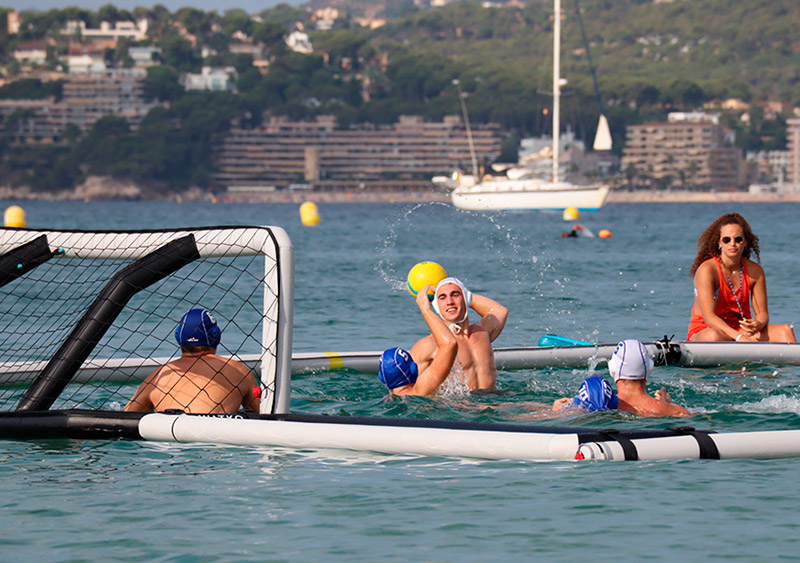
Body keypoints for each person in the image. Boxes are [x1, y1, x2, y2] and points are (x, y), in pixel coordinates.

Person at [125, 308, 260, 414]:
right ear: (216, 335)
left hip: (168, 444)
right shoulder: (238, 371)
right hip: (214, 441)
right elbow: (265, 414)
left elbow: (127, 416)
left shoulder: (158, 376)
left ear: (178, 336)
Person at [687, 213, 795, 342]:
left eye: (738, 239)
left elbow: (763, 314)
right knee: (713, 336)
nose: (732, 244)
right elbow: (709, 318)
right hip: (708, 330)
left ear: (745, 242)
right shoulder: (707, 270)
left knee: (785, 331)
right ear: (719, 243)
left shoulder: (755, 271)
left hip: (741, 332)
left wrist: (758, 324)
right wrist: (739, 337)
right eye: (726, 240)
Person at [409, 277, 508, 392]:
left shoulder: (481, 332)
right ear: (437, 305)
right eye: (442, 297)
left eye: (455, 295)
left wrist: (468, 296)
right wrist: (425, 308)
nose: (449, 302)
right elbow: (409, 391)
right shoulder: (429, 345)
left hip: (493, 400)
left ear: (465, 299)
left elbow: (500, 311)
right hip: (459, 408)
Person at [553, 339, 690, 417]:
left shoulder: (599, 405)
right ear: (649, 369)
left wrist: (557, 411)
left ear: (613, 369)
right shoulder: (673, 411)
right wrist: (667, 404)